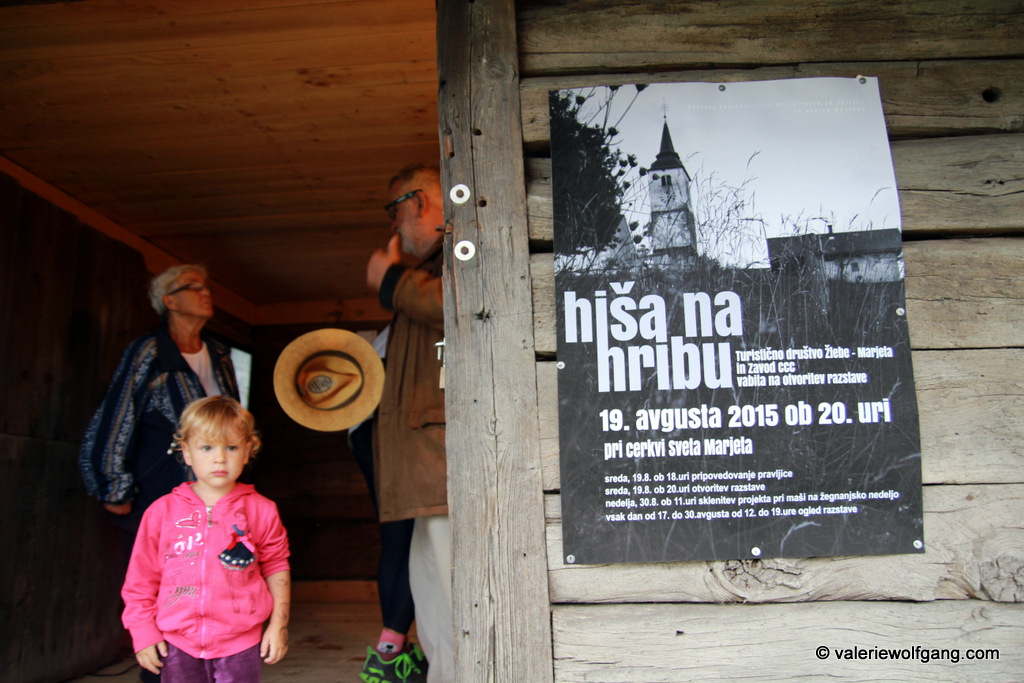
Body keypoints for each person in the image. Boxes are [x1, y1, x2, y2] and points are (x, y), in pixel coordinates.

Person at [121, 395, 291, 682]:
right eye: (207, 447)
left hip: (241, 643)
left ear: (248, 451)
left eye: (231, 447)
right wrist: (143, 631)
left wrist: (278, 626)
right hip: (175, 642)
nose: (219, 458)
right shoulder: (161, 512)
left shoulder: (261, 510)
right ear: (187, 452)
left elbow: (276, 567)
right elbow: (141, 580)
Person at [79, 264, 239, 561]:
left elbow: (232, 423)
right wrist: (114, 487)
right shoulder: (150, 351)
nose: (205, 293)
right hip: (159, 493)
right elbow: (118, 416)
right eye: (194, 286)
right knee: (158, 579)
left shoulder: (219, 355)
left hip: (215, 497)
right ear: (170, 301)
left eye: (207, 288)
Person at [366, 163, 451, 682]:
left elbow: (465, 306)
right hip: (426, 472)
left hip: (443, 468)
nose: (393, 226)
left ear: (417, 201)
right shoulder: (433, 266)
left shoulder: (464, 251)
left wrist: (392, 281)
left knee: (452, 601)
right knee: (432, 598)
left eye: (394, 211)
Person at [347, 326, 422, 682]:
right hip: (394, 428)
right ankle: (390, 652)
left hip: (363, 428)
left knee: (396, 540)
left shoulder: (390, 331)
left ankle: (393, 649)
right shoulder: (421, 319)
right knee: (417, 539)